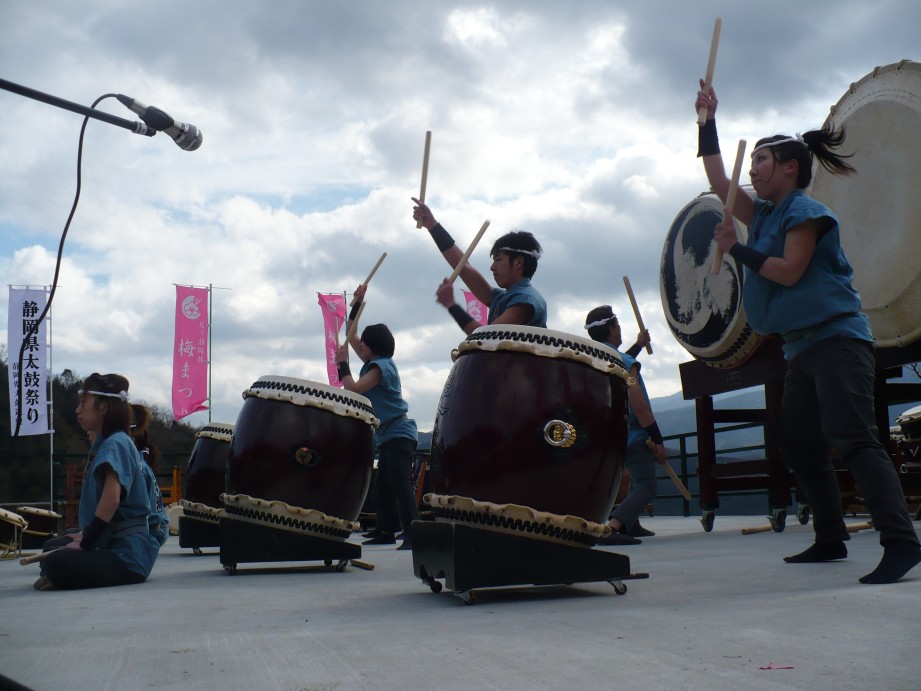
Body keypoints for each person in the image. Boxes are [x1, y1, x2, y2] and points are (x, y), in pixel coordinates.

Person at [695, 81, 921, 584]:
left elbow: (790, 270)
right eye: (752, 161)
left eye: (761, 160)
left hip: (837, 340)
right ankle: (830, 536)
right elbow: (717, 179)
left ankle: (902, 542)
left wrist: (735, 249)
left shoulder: (806, 212)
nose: (751, 170)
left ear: (789, 167)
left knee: (855, 439)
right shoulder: (769, 213)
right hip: (801, 349)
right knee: (797, 445)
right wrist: (706, 120)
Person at [34, 373, 169, 591]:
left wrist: (86, 542)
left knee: (55, 561)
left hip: (128, 555)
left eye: (83, 402)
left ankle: (60, 574)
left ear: (104, 407)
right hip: (113, 544)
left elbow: (112, 500)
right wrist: (84, 535)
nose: (78, 410)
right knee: (53, 547)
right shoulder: (111, 442)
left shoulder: (116, 443)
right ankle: (62, 573)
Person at [337, 286, 420, 550]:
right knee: (382, 487)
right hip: (388, 434)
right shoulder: (377, 359)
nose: (359, 346)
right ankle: (387, 529)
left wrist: (342, 365)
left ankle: (414, 531)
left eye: (363, 345)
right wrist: (357, 303)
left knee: (398, 483)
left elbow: (355, 390)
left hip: (399, 433)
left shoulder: (379, 367)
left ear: (371, 349)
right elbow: (351, 330)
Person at [585, 306, 667, 545]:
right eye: (618, 326)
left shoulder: (595, 358)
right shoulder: (625, 362)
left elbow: (619, 362)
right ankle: (613, 527)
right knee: (647, 485)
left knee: (629, 479)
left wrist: (639, 345)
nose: (620, 330)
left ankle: (630, 523)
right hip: (634, 433)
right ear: (611, 329)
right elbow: (640, 407)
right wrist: (658, 440)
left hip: (608, 434)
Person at [412, 198, 547, 333]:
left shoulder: (526, 300)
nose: (492, 267)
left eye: (498, 260)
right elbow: (463, 267)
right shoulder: (503, 298)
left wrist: (451, 304)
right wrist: (432, 225)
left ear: (518, 262)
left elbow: (486, 336)